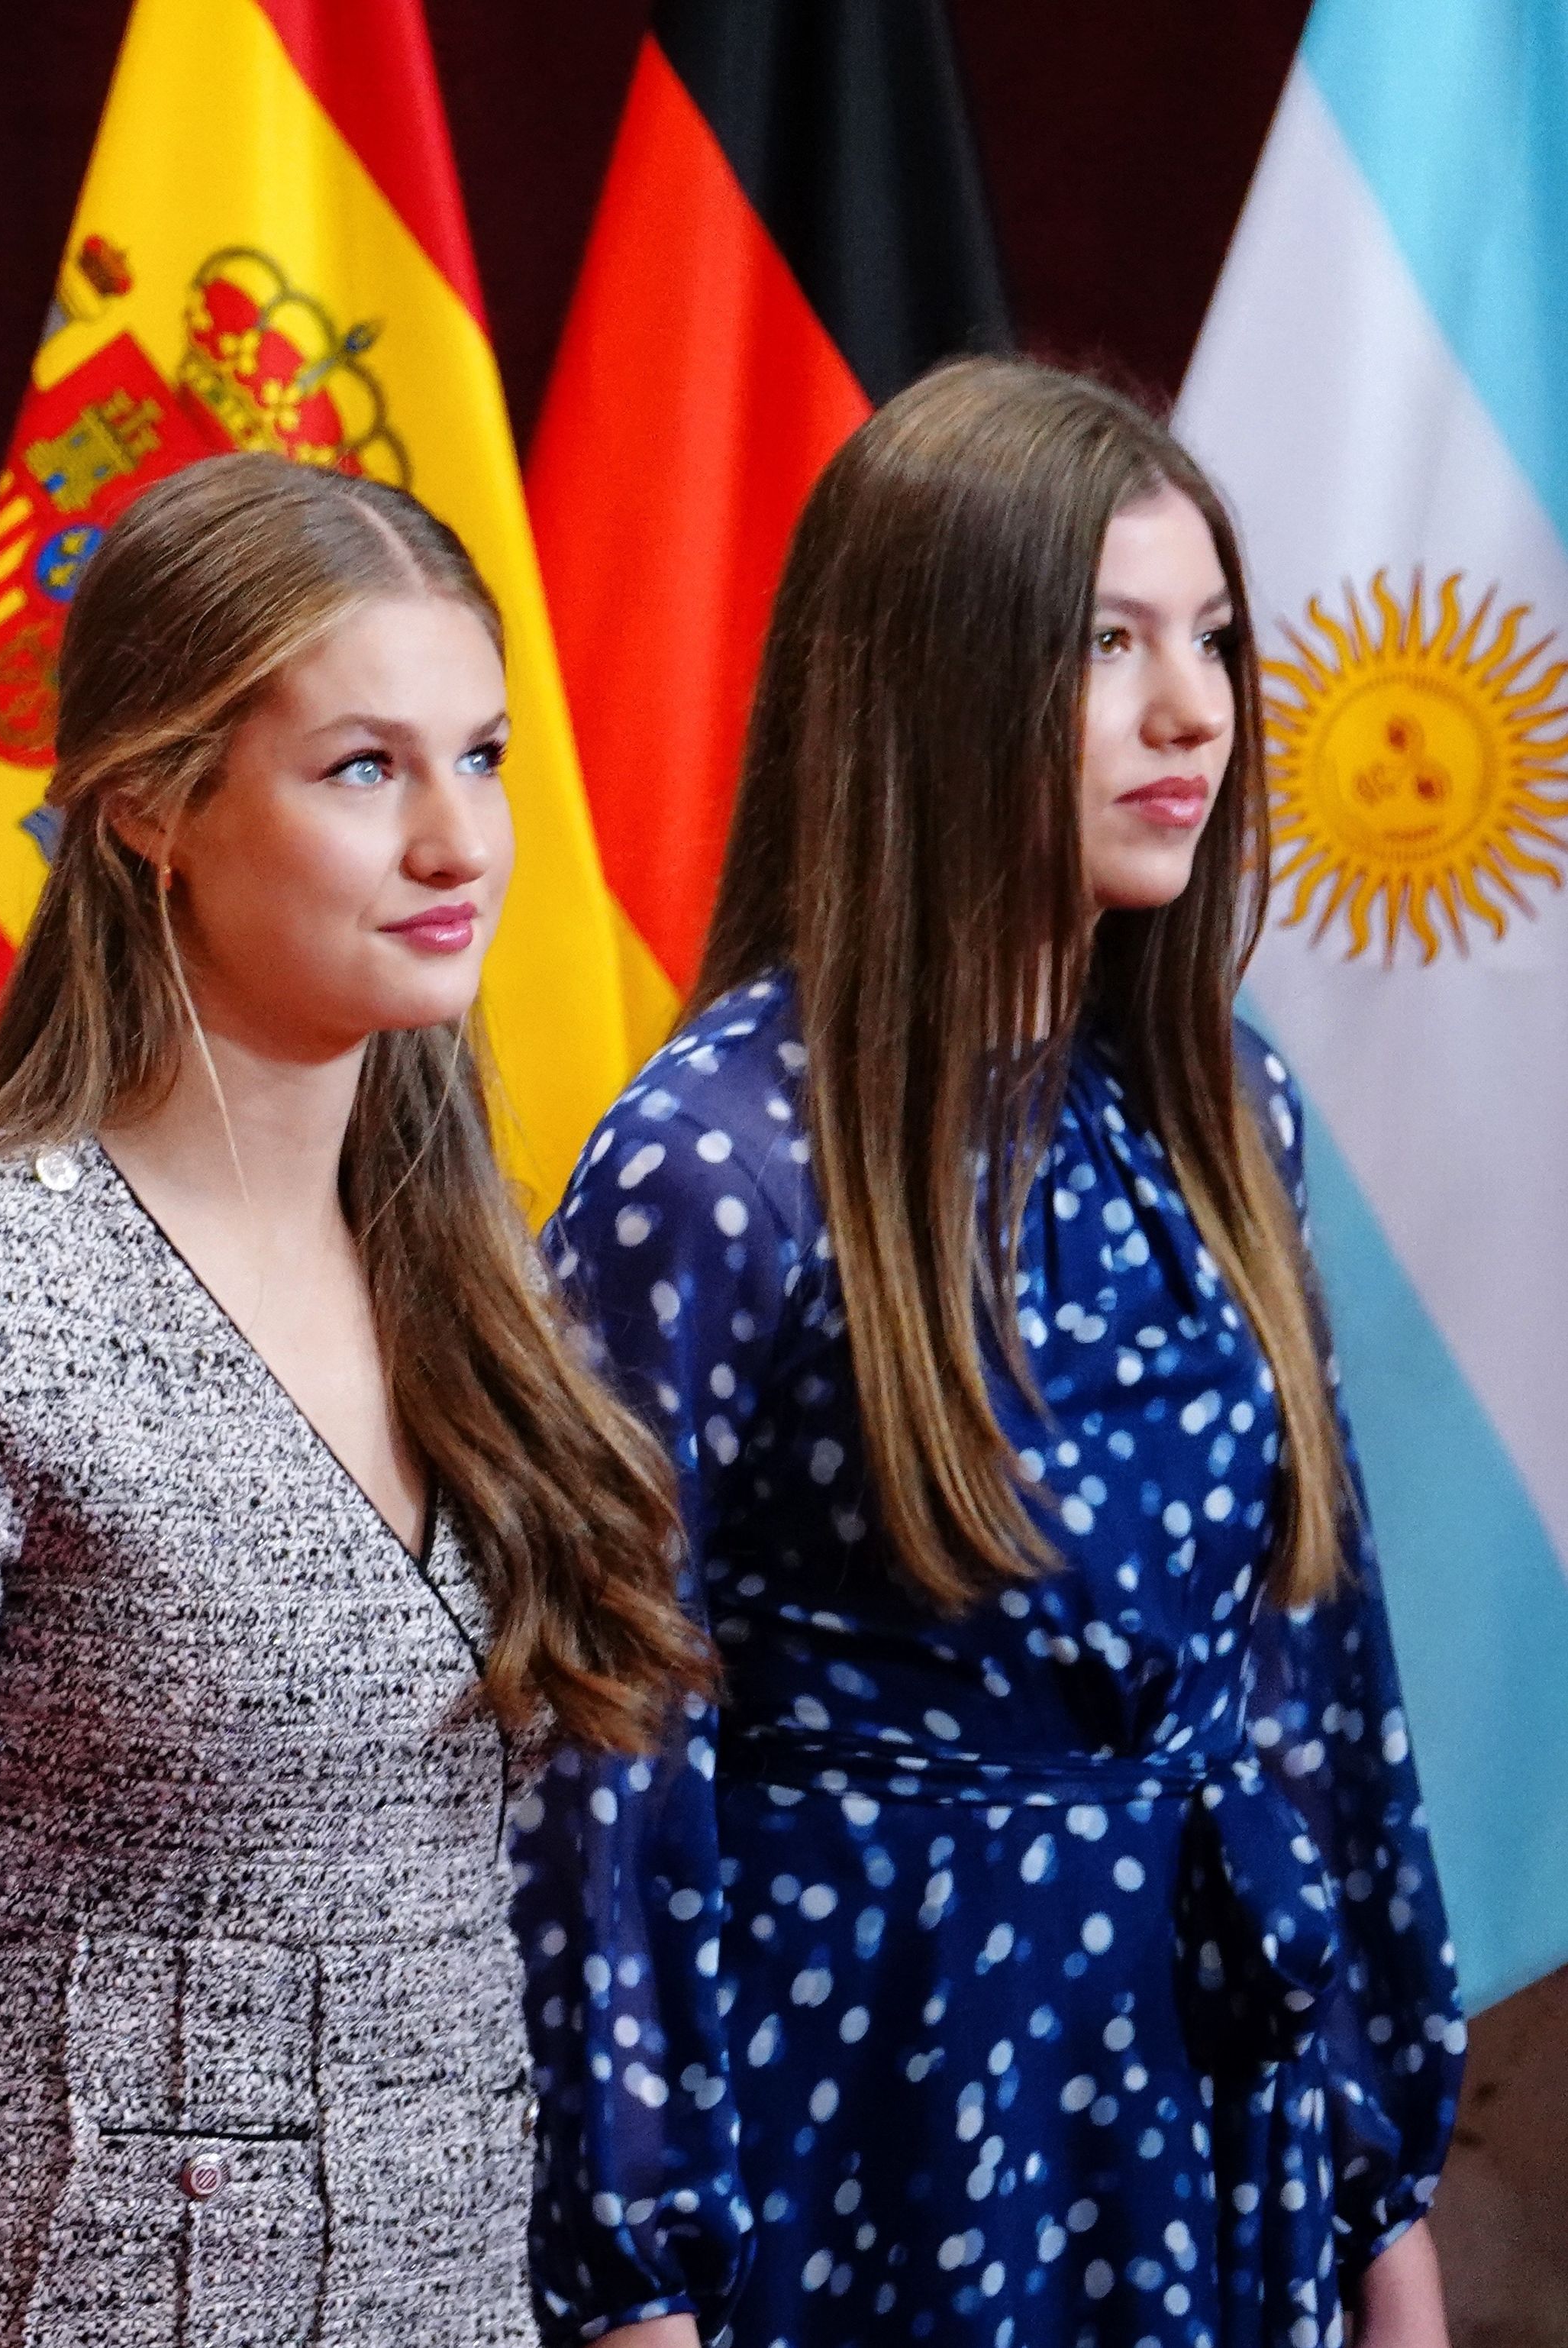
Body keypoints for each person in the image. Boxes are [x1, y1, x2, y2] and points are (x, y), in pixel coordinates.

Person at [0, 452, 718, 2347]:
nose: (458, 840)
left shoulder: (485, 1286)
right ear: (151, 807)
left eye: (482, 756)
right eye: (365, 769)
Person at [518, 357, 1464, 2348]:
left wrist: (1384, 2201)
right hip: (875, 2105)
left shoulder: (1218, 1103)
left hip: (1204, 2105)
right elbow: (605, 1767)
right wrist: (633, 2286)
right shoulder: (710, 1166)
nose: (1191, 710)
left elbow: (1311, 1677)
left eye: (1208, 637)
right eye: (1103, 643)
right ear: (927, 683)